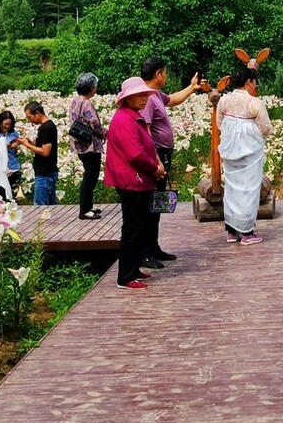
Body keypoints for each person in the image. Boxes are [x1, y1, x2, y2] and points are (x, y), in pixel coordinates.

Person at [104, 76, 168, 290]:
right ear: (127, 98)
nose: (144, 99)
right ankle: (125, 276)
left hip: (139, 180)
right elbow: (135, 154)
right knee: (132, 228)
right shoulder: (124, 120)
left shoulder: (132, 117)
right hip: (132, 180)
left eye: (145, 95)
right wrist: (155, 168)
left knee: (139, 226)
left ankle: (134, 268)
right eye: (139, 95)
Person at [139, 56, 202, 268]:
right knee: (150, 203)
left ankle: (153, 247)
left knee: (157, 201)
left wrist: (192, 88)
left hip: (163, 154)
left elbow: (172, 100)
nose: (166, 75)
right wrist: (156, 162)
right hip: (156, 155)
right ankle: (145, 252)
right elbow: (145, 131)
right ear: (158, 74)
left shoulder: (156, 94)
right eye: (165, 72)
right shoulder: (146, 98)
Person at [216, 65, 272, 244]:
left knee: (232, 189)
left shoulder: (224, 100)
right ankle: (247, 233)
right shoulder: (254, 102)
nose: (255, 85)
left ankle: (232, 231)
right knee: (249, 189)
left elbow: (219, 124)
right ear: (249, 82)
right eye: (254, 81)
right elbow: (265, 128)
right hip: (250, 150)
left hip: (230, 150)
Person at [68, 72, 106, 220]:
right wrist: (103, 132)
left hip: (79, 143)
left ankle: (88, 207)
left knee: (89, 175)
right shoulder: (87, 103)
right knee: (91, 177)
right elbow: (94, 123)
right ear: (91, 88)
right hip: (90, 145)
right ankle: (84, 211)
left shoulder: (75, 101)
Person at [21, 101, 59, 205]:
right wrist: (31, 142)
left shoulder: (46, 128)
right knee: (52, 206)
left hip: (44, 173)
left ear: (37, 113)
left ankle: (43, 222)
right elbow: (45, 145)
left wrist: (26, 145)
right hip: (49, 171)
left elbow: (45, 152)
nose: (30, 120)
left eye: (29, 117)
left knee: (40, 207)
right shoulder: (49, 125)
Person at [0, 110, 24, 193]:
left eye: (10, 124)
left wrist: (16, 147)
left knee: (12, 191)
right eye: (5, 124)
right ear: (0, 122)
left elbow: (19, 148)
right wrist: (5, 145)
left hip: (13, 165)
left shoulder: (14, 133)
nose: (7, 126)